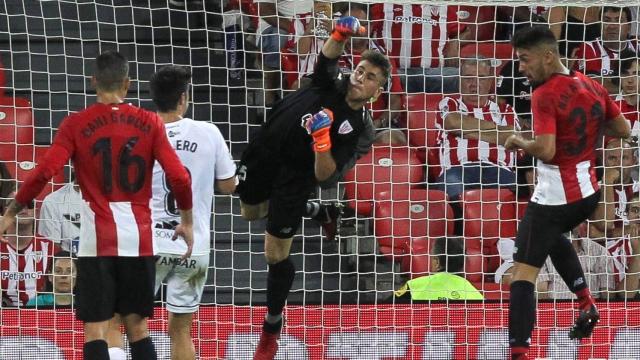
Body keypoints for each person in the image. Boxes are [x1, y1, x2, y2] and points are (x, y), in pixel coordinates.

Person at [0, 51, 194, 360]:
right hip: (139, 240)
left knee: (95, 330)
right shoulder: (150, 123)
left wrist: (10, 213)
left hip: (95, 241)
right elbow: (180, 178)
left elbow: (44, 172)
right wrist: (186, 220)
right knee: (138, 329)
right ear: (128, 84)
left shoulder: (76, 124)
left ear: (93, 82)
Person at [236, 16, 389, 360]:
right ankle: (317, 211)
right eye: (360, 70)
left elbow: (325, 175)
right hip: (263, 153)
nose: (360, 77)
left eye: (370, 78)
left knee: (275, 255)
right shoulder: (328, 83)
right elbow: (328, 56)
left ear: (377, 93)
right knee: (249, 213)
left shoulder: (357, 127)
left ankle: (271, 328)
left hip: (296, 178)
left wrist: (321, 141)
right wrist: (340, 33)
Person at [504, 26, 631, 360]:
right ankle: (586, 300)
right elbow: (624, 129)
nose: (521, 68)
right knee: (550, 235)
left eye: (524, 60)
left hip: (555, 197)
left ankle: (520, 350)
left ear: (548, 56)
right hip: (587, 194)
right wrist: (585, 134)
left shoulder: (543, 94)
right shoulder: (592, 84)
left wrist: (520, 141)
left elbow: (545, 151)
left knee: (522, 274)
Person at [150, 65, 237, 360]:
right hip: (193, 246)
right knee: (181, 330)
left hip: (149, 243)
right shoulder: (208, 132)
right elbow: (228, 185)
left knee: (129, 322)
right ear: (184, 99)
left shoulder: (141, 133)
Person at [435, 56, 521, 200]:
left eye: (481, 78)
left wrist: (466, 130)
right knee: (453, 196)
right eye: (468, 78)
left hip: (499, 170)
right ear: (460, 80)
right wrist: (497, 132)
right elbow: (453, 122)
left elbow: (510, 137)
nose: (475, 84)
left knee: (512, 198)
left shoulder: (505, 109)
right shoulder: (449, 103)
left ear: (490, 81)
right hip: (458, 169)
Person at [0, 192, 57, 307]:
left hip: (43, 318)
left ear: (35, 211)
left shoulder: (50, 248)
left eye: (29, 203)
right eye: (15, 204)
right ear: (5, 211)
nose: (23, 207)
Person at [571, 6, 637, 94]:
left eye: (619, 20)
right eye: (606, 20)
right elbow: (591, 82)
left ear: (629, 27)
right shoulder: (589, 48)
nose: (612, 26)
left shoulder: (637, 46)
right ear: (600, 25)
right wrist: (627, 91)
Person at [394, 237, 483, 301]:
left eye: (432, 257)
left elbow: (386, 311)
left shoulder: (414, 286)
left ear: (437, 262)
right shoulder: (473, 292)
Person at [38, 173, 83, 254]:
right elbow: (52, 249)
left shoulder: (110, 199)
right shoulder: (53, 201)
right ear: (73, 165)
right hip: (71, 263)